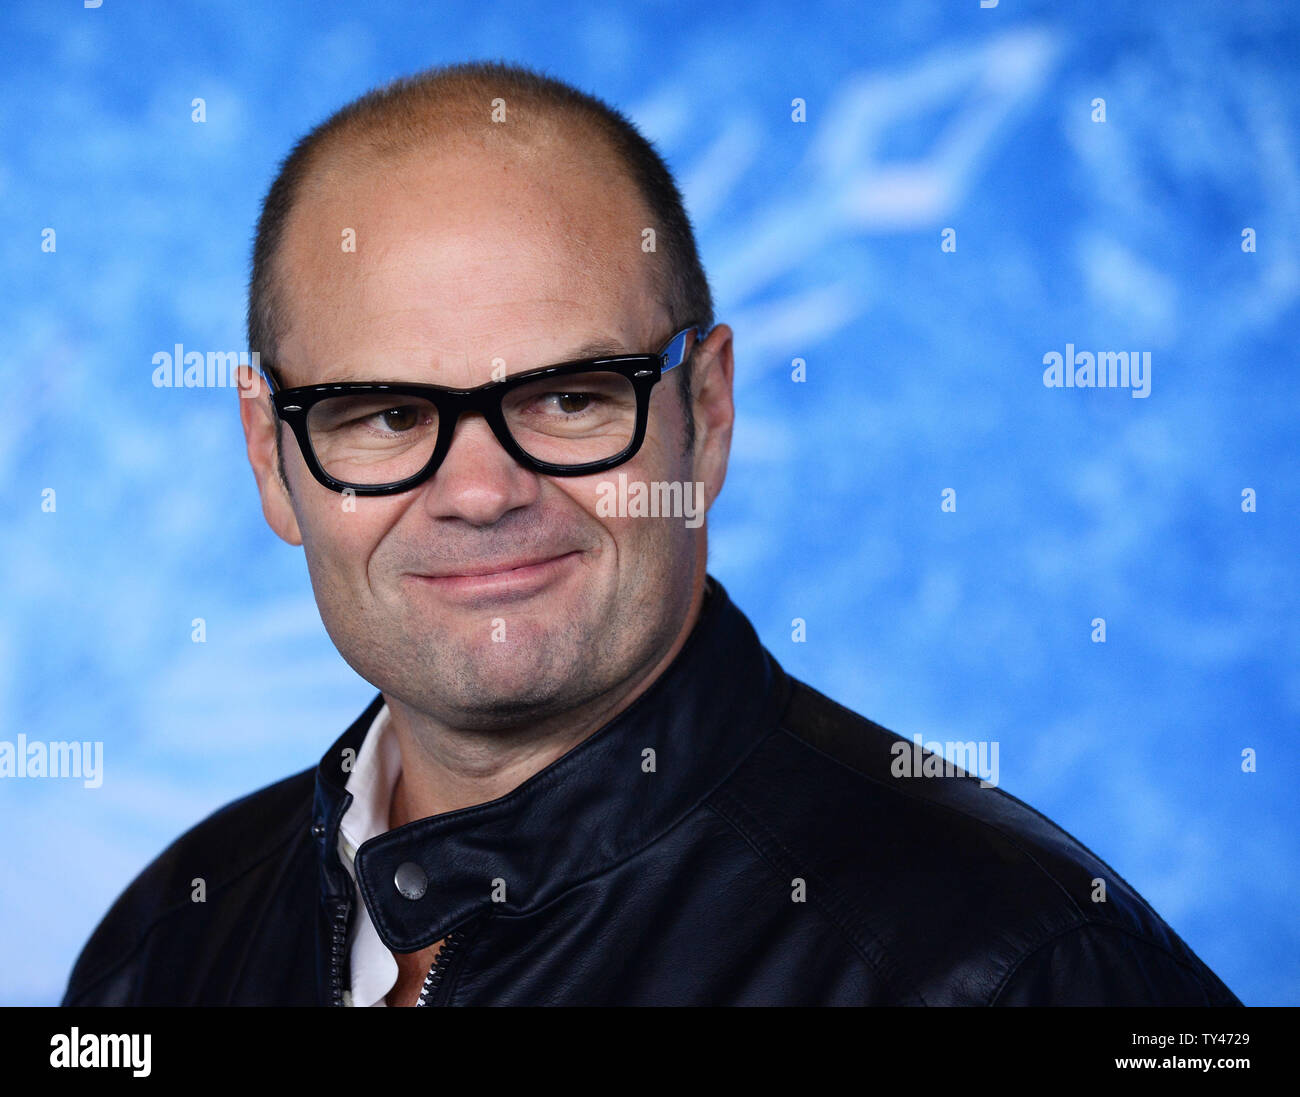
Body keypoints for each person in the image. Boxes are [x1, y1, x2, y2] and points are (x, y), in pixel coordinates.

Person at [62, 60, 1241, 1007]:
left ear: (707, 413)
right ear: (272, 455)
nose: (480, 491)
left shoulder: (1010, 964)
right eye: (385, 413)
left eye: (569, 398)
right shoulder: (166, 943)